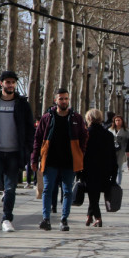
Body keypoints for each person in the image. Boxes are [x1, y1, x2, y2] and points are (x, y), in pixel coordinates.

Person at [0, 70, 35, 232]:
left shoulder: (22, 105)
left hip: (14, 153)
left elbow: (30, 129)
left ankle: (7, 219)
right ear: (1, 83)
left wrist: (27, 149)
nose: (10, 85)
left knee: (10, 187)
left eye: (13, 82)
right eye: (7, 82)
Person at [31, 88, 87, 232]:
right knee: (48, 189)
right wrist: (34, 158)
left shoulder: (76, 118)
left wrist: (81, 152)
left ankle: (64, 219)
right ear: (55, 100)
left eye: (66, 99)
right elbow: (37, 139)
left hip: (69, 161)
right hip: (50, 160)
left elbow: (84, 136)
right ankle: (46, 218)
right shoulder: (47, 118)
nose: (64, 101)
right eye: (61, 99)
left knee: (67, 191)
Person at [82, 109, 118, 228]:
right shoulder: (108, 134)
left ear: (89, 119)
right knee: (95, 194)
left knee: (93, 194)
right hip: (105, 169)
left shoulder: (86, 133)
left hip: (89, 168)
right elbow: (113, 155)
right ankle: (89, 215)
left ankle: (98, 218)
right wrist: (114, 171)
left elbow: (83, 153)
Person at [108, 114, 129, 185]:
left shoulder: (126, 131)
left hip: (121, 150)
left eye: (119, 120)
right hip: (112, 150)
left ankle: (118, 183)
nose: (117, 122)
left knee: (119, 167)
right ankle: (111, 181)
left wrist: (128, 151)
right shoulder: (110, 130)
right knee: (111, 166)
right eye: (116, 120)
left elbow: (128, 142)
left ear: (122, 121)